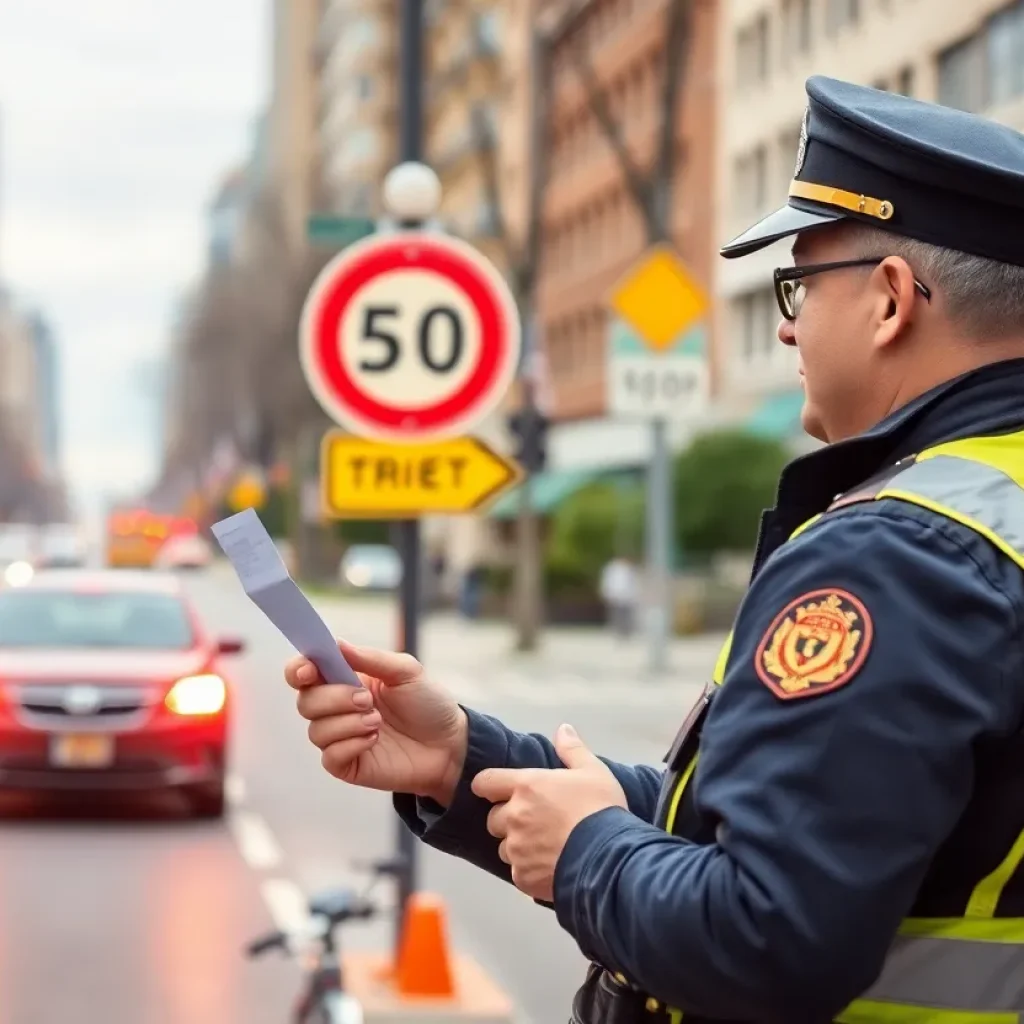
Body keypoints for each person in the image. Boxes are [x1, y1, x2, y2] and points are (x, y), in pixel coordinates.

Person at [284, 77, 1024, 1022]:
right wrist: (464, 762)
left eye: (796, 285)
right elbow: (768, 823)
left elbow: (767, 936)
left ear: (889, 301)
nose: (788, 324)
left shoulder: (900, 554)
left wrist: (587, 850)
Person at [599, 555, 639, 637]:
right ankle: (617, 630)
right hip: (616, 595)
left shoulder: (630, 569)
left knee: (626, 615)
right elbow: (609, 582)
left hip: (627, 596)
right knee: (617, 614)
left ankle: (626, 631)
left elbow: (634, 583)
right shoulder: (612, 569)